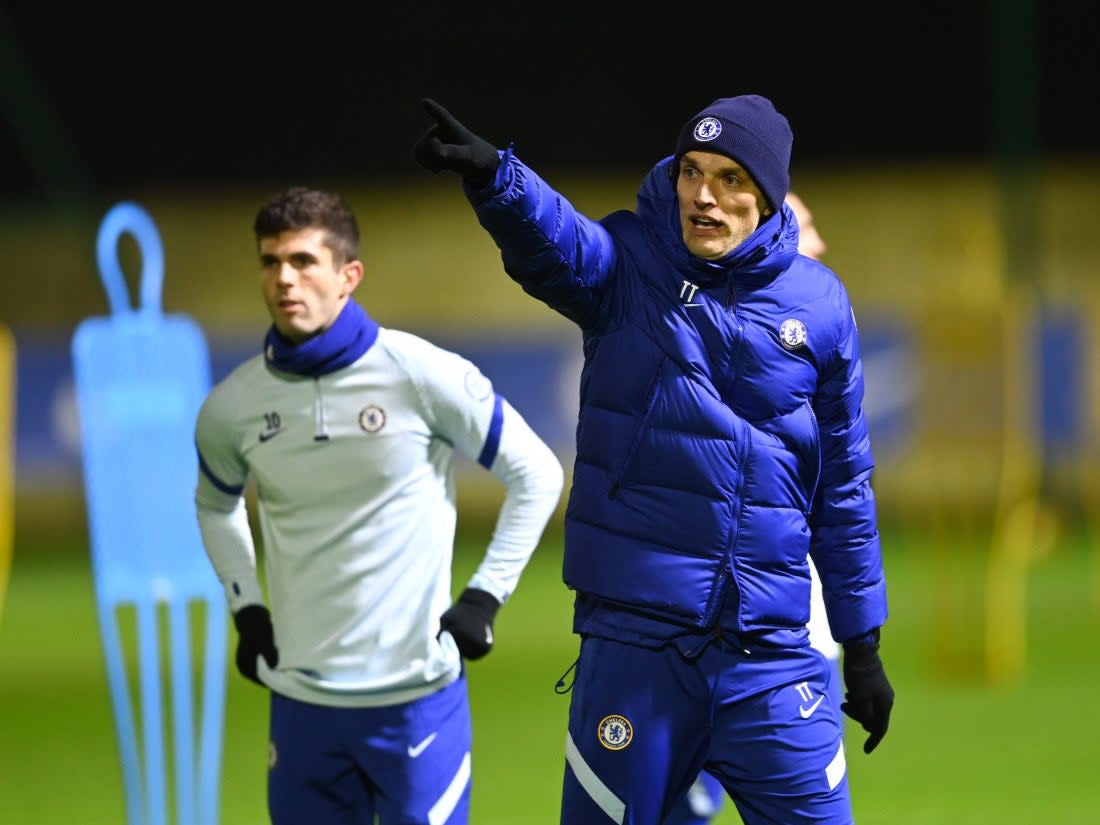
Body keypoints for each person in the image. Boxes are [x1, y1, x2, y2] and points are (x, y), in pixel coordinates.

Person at [414, 93, 894, 825]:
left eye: (731, 178)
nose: (704, 194)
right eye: (691, 170)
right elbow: (556, 241)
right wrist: (498, 180)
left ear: (766, 195)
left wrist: (861, 643)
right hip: (636, 648)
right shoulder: (628, 265)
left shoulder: (822, 306)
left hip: (770, 653)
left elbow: (844, 490)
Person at [192, 186, 564, 825]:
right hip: (301, 700)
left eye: (305, 261)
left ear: (348, 276)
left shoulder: (417, 372)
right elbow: (214, 505)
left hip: (417, 699)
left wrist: (483, 598)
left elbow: (538, 471)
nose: (285, 277)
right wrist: (246, 610)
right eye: (271, 261)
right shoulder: (232, 406)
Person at [666, 189, 842, 825]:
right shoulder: (717, 349)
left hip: (804, 636)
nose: (817, 239)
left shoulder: (817, 338)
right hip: (720, 634)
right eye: (806, 222)